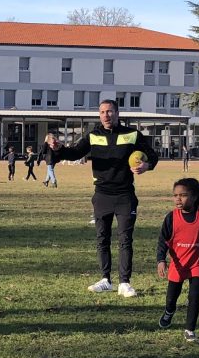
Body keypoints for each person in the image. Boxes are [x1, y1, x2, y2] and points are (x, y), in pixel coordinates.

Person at [52, 98, 159, 298]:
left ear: (117, 113)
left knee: (125, 239)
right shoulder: (93, 136)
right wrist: (58, 148)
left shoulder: (132, 135)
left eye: (109, 111)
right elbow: (74, 153)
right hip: (102, 195)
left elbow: (153, 155)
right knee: (102, 239)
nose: (106, 115)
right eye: (102, 112)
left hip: (125, 195)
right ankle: (105, 280)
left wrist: (147, 165)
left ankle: (124, 283)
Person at [155, 177, 199, 342]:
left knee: (195, 296)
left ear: (194, 197)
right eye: (175, 195)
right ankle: (169, 311)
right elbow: (163, 241)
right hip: (178, 263)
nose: (178, 199)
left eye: (183, 195)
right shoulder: (171, 217)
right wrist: (161, 260)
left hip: (197, 263)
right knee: (171, 298)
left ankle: (190, 330)